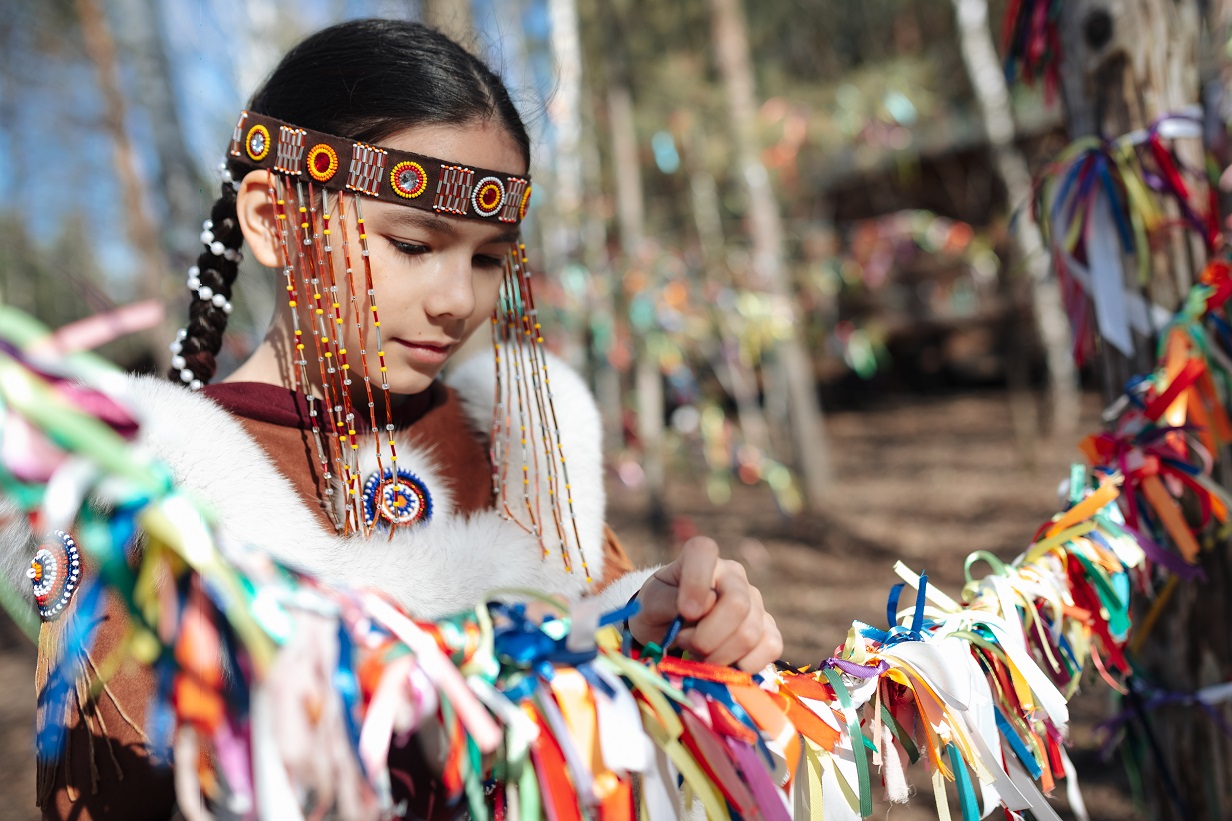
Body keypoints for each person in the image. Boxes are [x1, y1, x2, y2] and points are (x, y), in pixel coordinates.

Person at [12, 18, 782, 819]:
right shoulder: (149, 499)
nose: (457, 300)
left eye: (489, 258)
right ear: (275, 219)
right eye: (415, 244)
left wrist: (661, 638)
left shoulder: (516, 451)